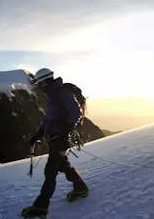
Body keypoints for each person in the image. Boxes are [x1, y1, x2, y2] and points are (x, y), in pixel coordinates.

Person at [22, 68, 89, 218]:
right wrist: (38, 134)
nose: (39, 87)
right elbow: (50, 119)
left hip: (61, 139)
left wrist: (65, 132)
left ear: (46, 81)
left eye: (40, 84)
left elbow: (76, 113)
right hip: (55, 138)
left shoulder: (62, 92)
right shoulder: (53, 95)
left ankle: (40, 208)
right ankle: (80, 187)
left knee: (50, 171)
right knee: (63, 165)